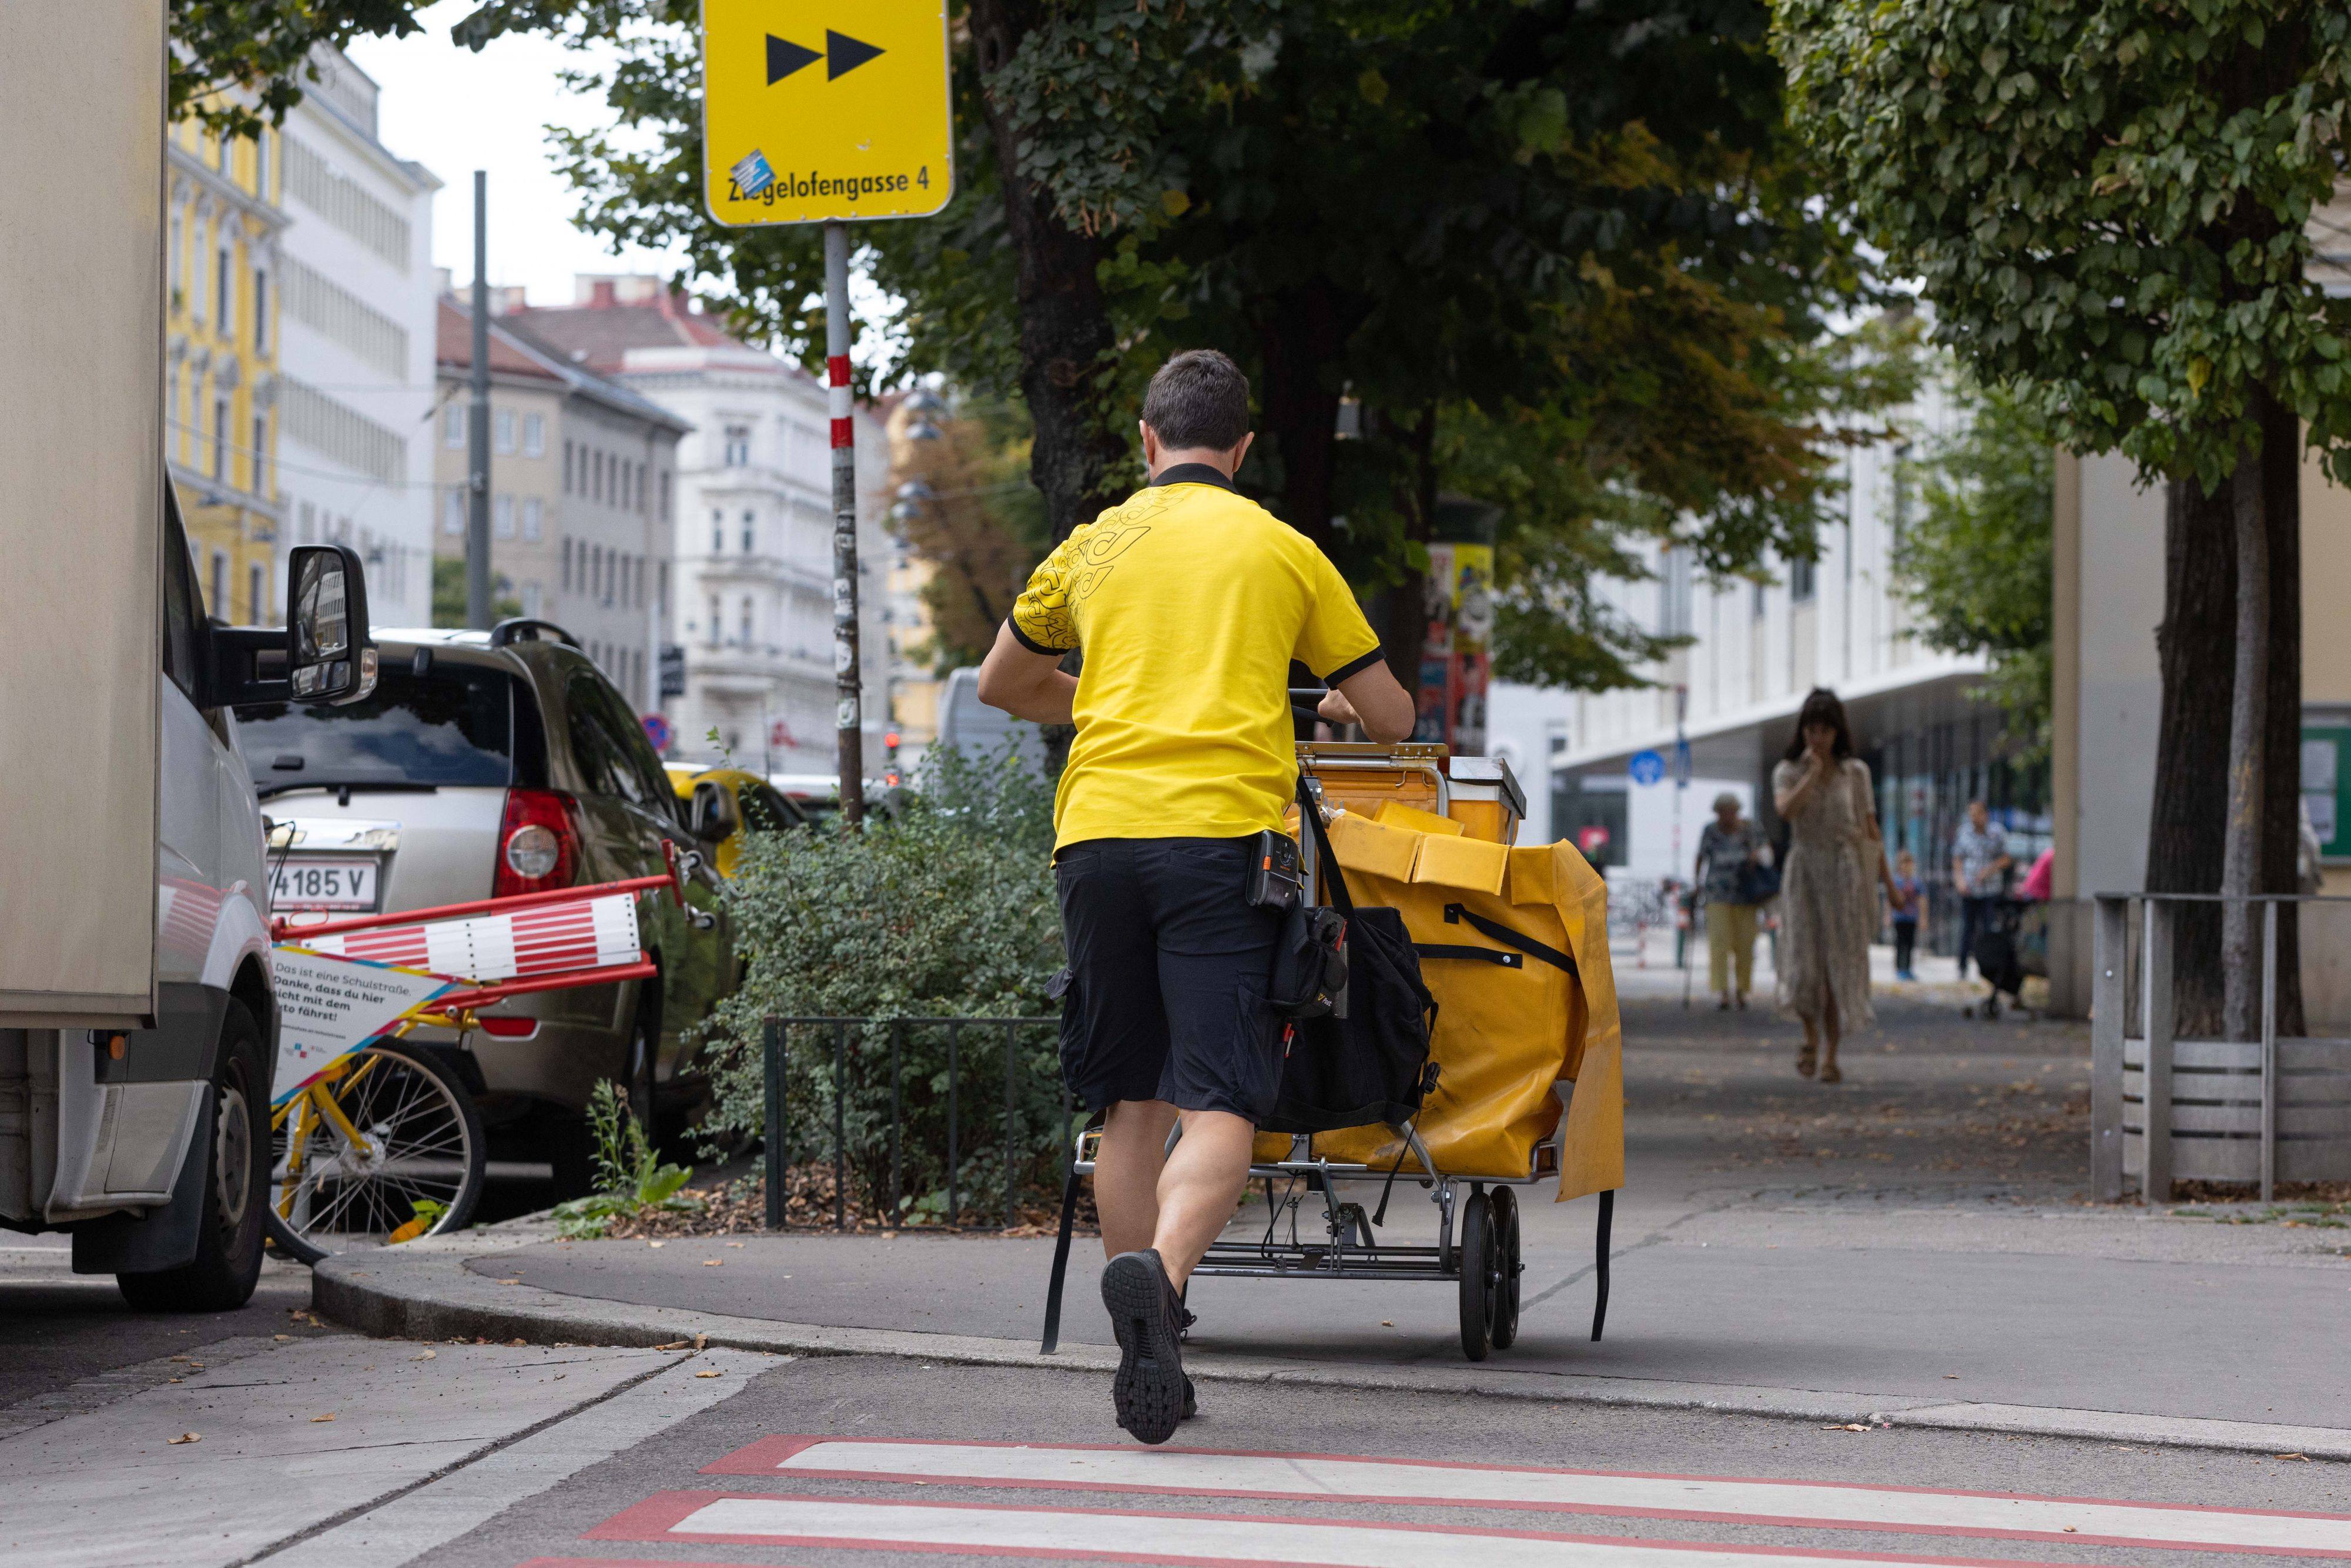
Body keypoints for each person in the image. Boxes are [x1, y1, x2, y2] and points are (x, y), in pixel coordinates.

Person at [975, 349, 1415, 1445]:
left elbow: (1003, 683)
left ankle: (1149, 1351)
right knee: (1221, 1103)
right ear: (1244, 448)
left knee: (1132, 1103)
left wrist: (1106, 696)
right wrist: (1328, 705)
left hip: (1096, 841)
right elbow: (1392, 717)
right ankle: (1162, 1285)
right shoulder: (1283, 549)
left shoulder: (1093, 543)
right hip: (1221, 844)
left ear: (1146, 440)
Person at [1770, 688, 1893, 1083]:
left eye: (1825, 730)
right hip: (1804, 871)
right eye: (1811, 730)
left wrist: (1890, 885)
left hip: (1844, 873)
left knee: (1838, 964)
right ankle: (1810, 1035)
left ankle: (1831, 1055)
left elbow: (1870, 830)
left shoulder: (1855, 773)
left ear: (1838, 731)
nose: (1818, 738)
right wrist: (1811, 775)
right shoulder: (1788, 771)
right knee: (1804, 962)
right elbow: (1786, 810)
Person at [1693, 792, 1766, 1010]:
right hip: (1717, 893)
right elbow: (1701, 857)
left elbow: (1766, 851)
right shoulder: (1710, 830)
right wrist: (1697, 883)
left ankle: (1742, 991)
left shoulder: (1751, 829)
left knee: (1745, 944)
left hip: (1746, 893)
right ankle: (1723, 992)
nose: (1726, 816)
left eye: (1730, 811)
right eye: (1722, 812)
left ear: (1737, 811)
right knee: (1719, 943)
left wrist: (1756, 856)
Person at [1950, 800, 2011, 981]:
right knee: (1967, 930)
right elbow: (1957, 859)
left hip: (1990, 890)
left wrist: (1989, 870)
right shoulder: (1964, 833)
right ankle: (1962, 966)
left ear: (1986, 815)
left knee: (1988, 929)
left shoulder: (1997, 833)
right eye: (1971, 814)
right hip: (1969, 890)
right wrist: (1960, 881)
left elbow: (2007, 858)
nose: (1974, 818)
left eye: (1977, 814)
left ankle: (1987, 967)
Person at [1888, 850, 1924, 981]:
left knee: (1910, 944)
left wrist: (1923, 918)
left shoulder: (1917, 882)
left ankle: (1908, 969)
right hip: (1900, 918)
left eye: (1909, 863)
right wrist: (1888, 916)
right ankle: (1900, 969)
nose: (1907, 866)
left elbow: (1922, 900)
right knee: (1900, 944)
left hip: (1912, 918)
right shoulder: (1896, 881)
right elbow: (1890, 900)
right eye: (1904, 863)